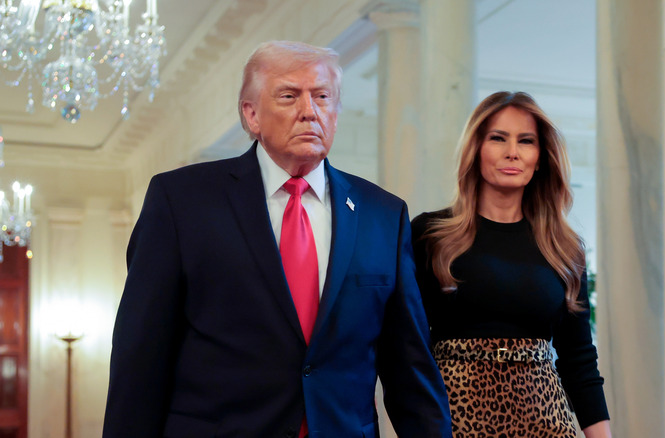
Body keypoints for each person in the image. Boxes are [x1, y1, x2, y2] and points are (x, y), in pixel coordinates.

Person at [103, 41, 452, 438]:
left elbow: (409, 365)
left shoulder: (383, 214)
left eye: (323, 97)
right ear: (251, 115)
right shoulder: (181, 202)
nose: (309, 110)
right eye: (289, 96)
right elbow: (141, 359)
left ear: (336, 113)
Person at [412, 91, 611, 438]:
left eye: (526, 141)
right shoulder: (430, 234)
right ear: (476, 149)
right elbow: (406, 346)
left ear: (540, 158)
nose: (512, 152)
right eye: (498, 138)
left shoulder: (564, 247)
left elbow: (579, 359)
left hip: (546, 422)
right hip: (453, 420)